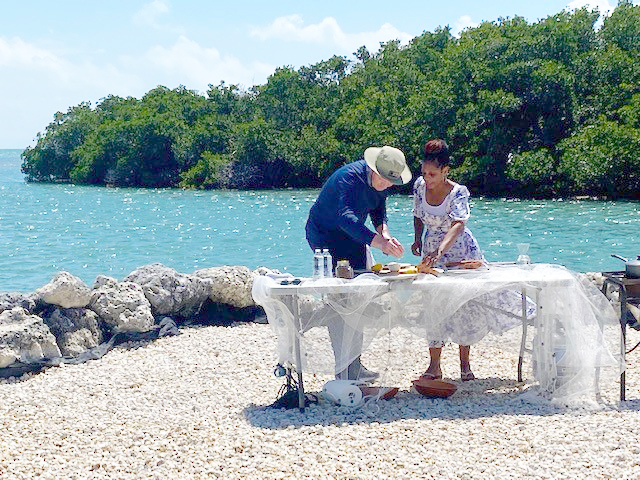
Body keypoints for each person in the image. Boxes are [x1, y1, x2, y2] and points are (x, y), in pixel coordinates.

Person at [306, 145, 412, 381]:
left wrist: (384, 233)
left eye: (391, 183)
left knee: (359, 298)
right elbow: (346, 219)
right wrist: (379, 244)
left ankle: (355, 364)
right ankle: (343, 368)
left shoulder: (383, 183)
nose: (387, 186)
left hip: (355, 239)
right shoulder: (348, 179)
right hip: (327, 238)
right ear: (373, 169)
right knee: (340, 300)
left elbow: (378, 207)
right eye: (384, 180)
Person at [411, 139, 485, 381]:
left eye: (432, 174)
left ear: (445, 171)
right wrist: (417, 239)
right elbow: (417, 215)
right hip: (431, 247)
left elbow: (458, 224)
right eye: (424, 173)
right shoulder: (419, 186)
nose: (427, 178)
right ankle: (435, 365)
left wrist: (441, 250)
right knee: (433, 304)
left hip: (459, 249)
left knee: (465, 305)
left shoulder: (458, 192)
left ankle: (465, 365)